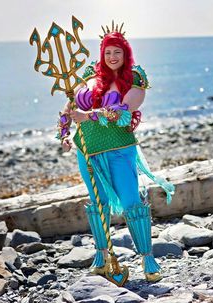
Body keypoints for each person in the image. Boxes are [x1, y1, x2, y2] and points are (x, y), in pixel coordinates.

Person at [56, 22, 175, 283]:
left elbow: (123, 110)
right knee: (98, 204)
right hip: (88, 152)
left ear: (125, 53)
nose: (112, 57)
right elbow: (68, 108)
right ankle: (101, 257)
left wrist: (88, 115)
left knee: (132, 202)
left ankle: (147, 258)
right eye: (108, 52)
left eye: (117, 52)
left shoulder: (134, 77)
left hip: (120, 150)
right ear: (102, 53)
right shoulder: (88, 75)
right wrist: (64, 133)